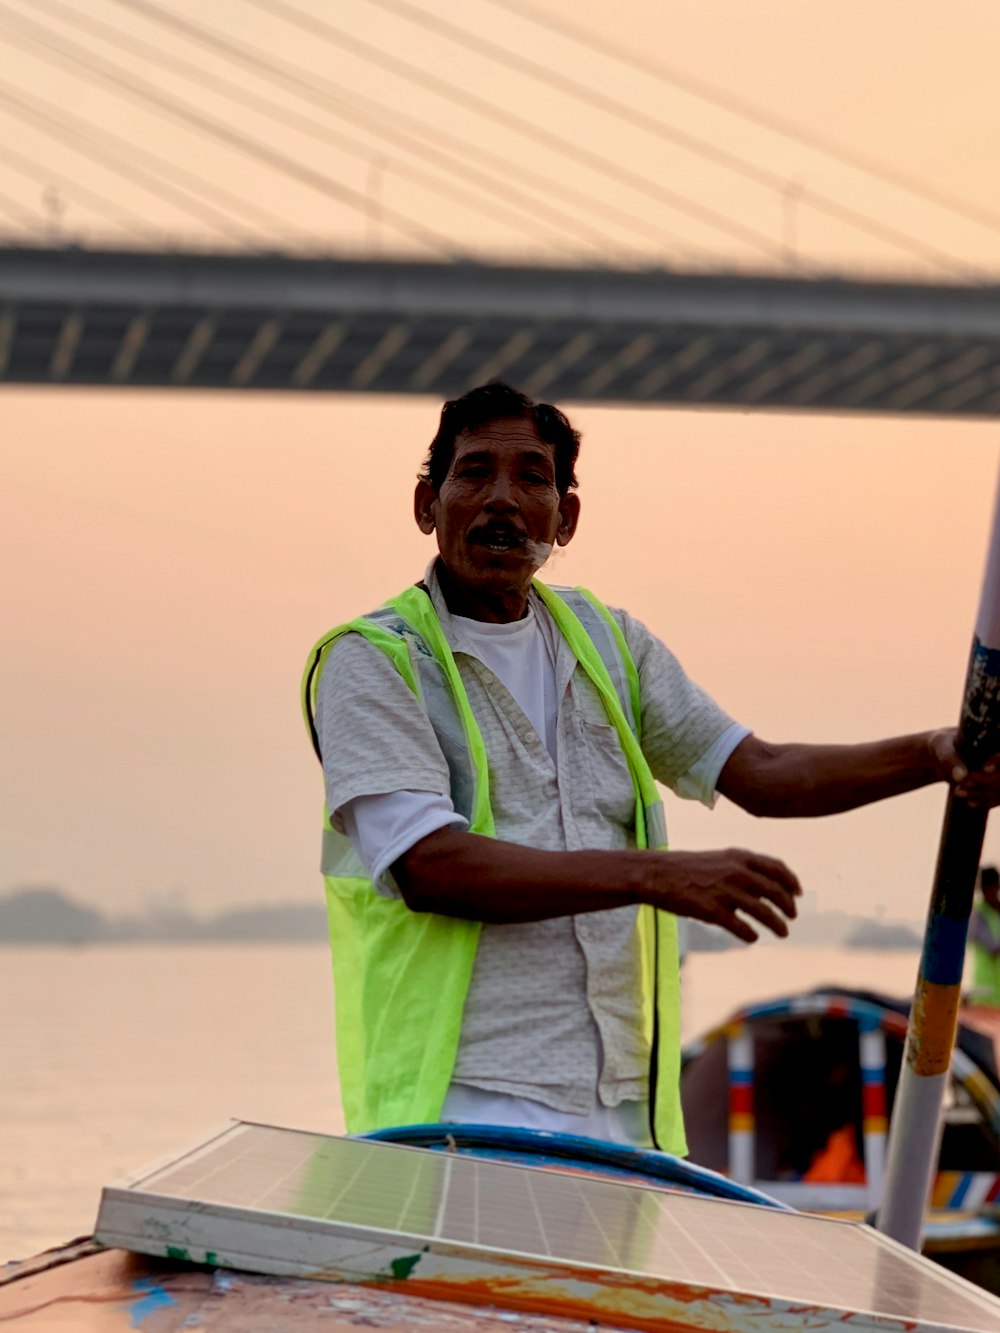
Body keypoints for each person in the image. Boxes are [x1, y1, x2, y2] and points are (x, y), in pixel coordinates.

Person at [302, 382, 1000, 1155]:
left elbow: (763, 772)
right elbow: (430, 864)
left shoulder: (610, 643)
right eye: (473, 474)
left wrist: (936, 753)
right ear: (426, 504)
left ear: (565, 516)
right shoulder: (374, 658)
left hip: (626, 1105)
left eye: (531, 476)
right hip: (461, 1103)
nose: (500, 498)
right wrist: (655, 875)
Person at [969, 866, 1000, 1007]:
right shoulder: (978, 913)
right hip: (985, 991)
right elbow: (992, 947)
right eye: (984, 888)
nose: (987, 892)